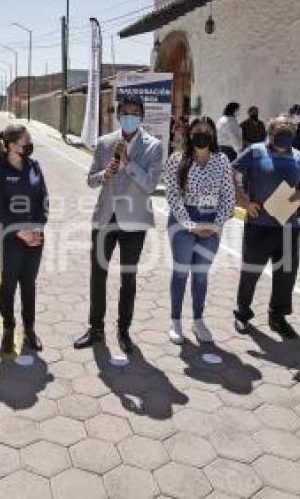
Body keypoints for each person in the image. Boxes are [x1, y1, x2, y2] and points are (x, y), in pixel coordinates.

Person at [74, 95, 164, 354]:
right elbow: (90, 180)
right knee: (98, 276)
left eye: (135, 113)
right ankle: (95, 329)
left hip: (134, 223)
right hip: (104, 219)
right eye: (126, 112)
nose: (130, 117)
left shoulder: (153, 147)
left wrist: (127, 161)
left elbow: (149, 185)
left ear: (142, 117)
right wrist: (105, 174)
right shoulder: (104, 143)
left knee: (128, 278)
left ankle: (124, 331)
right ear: (119, 115)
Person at [233, 115, 300, 339]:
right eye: (280, 127)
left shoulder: (298, 155)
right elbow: (233, 171)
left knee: (285, 273)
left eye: (289, 127)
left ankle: (278, 316)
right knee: (251, 272)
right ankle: (243, 313)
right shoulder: (255, 151)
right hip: (259, 224)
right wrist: (244, 200)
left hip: (289, 225)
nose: (285, 130)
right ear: (270, 130)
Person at [163, 117, 235, 344]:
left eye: (206, 131)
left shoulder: (222, 160)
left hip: (212, 222)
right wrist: (191, 226)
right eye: (197, 130)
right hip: (183, 222)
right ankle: (175, 321)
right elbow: (172, 196)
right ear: (189, 134)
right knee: (181, 272)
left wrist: (215, 224)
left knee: (201, 275)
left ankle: (198, 320)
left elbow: (228, 196)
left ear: (213, 135)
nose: (202, 134)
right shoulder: (177, 159)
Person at [0, 124, 49, 354]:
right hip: (8, 236)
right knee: (9, 282)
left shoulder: (35, 167)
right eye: (26, 142)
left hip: (35, 235)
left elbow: (44, 198)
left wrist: (37, 228)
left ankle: (30, 329)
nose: (30, 146)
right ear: (12, 145)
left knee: (29, 283)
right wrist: (20, 231)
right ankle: (8, 329)